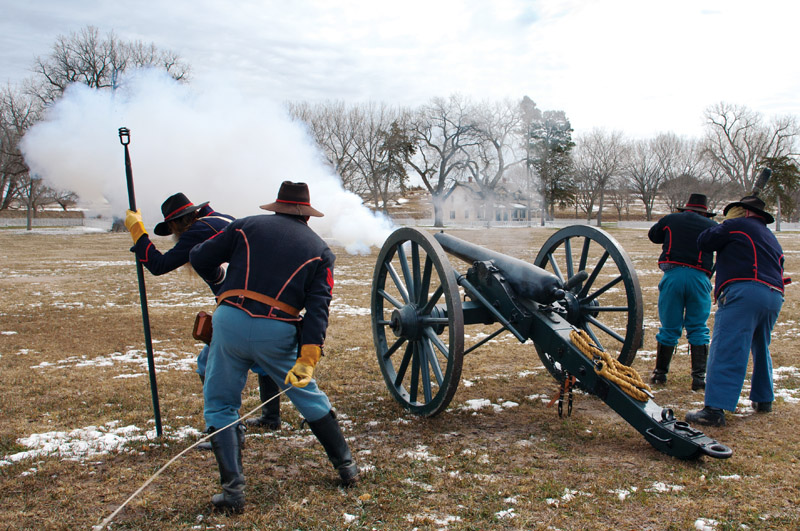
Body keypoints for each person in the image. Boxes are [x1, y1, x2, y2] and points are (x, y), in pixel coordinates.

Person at [189, 181, 358, 512]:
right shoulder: (321, 251)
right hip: (278, 331)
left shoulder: (245, 226)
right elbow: (318, 309)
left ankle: (233, 493)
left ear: (277, 207)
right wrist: (308, 355)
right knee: (308, 396)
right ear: (306, 215)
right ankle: (346, 467)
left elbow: (200, 256)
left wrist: (221, 283)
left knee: (221, 402)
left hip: (230, 321)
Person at [123, 193, 283, 439]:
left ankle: (225, 428)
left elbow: (159, 265)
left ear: (177, 223)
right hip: (265, 301)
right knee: (262, 361)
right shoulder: (221, 219)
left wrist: (138, 233)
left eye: (172, 229)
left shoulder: (198, 231)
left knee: (208, 364)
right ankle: (271, 417)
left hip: (240, 307)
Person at [685, 194, 787, 426]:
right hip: (773, 295)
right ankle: (763, 398)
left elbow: (705, 241)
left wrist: (726, 223)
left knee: (727, 346)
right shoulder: (770, 236)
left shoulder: (737, 224)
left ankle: (714, 409)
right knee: (761, 345)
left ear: (744, 212)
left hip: (745, 290)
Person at [647, 193, 718, 390]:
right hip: (699, 278)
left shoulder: (671, 220)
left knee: (669, 326)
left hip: (673, 276)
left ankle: (660, 374)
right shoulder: (712, 227)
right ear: (705, 212)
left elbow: (654, 236)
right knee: (698, 326)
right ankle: (698, 378)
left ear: (686, 209)